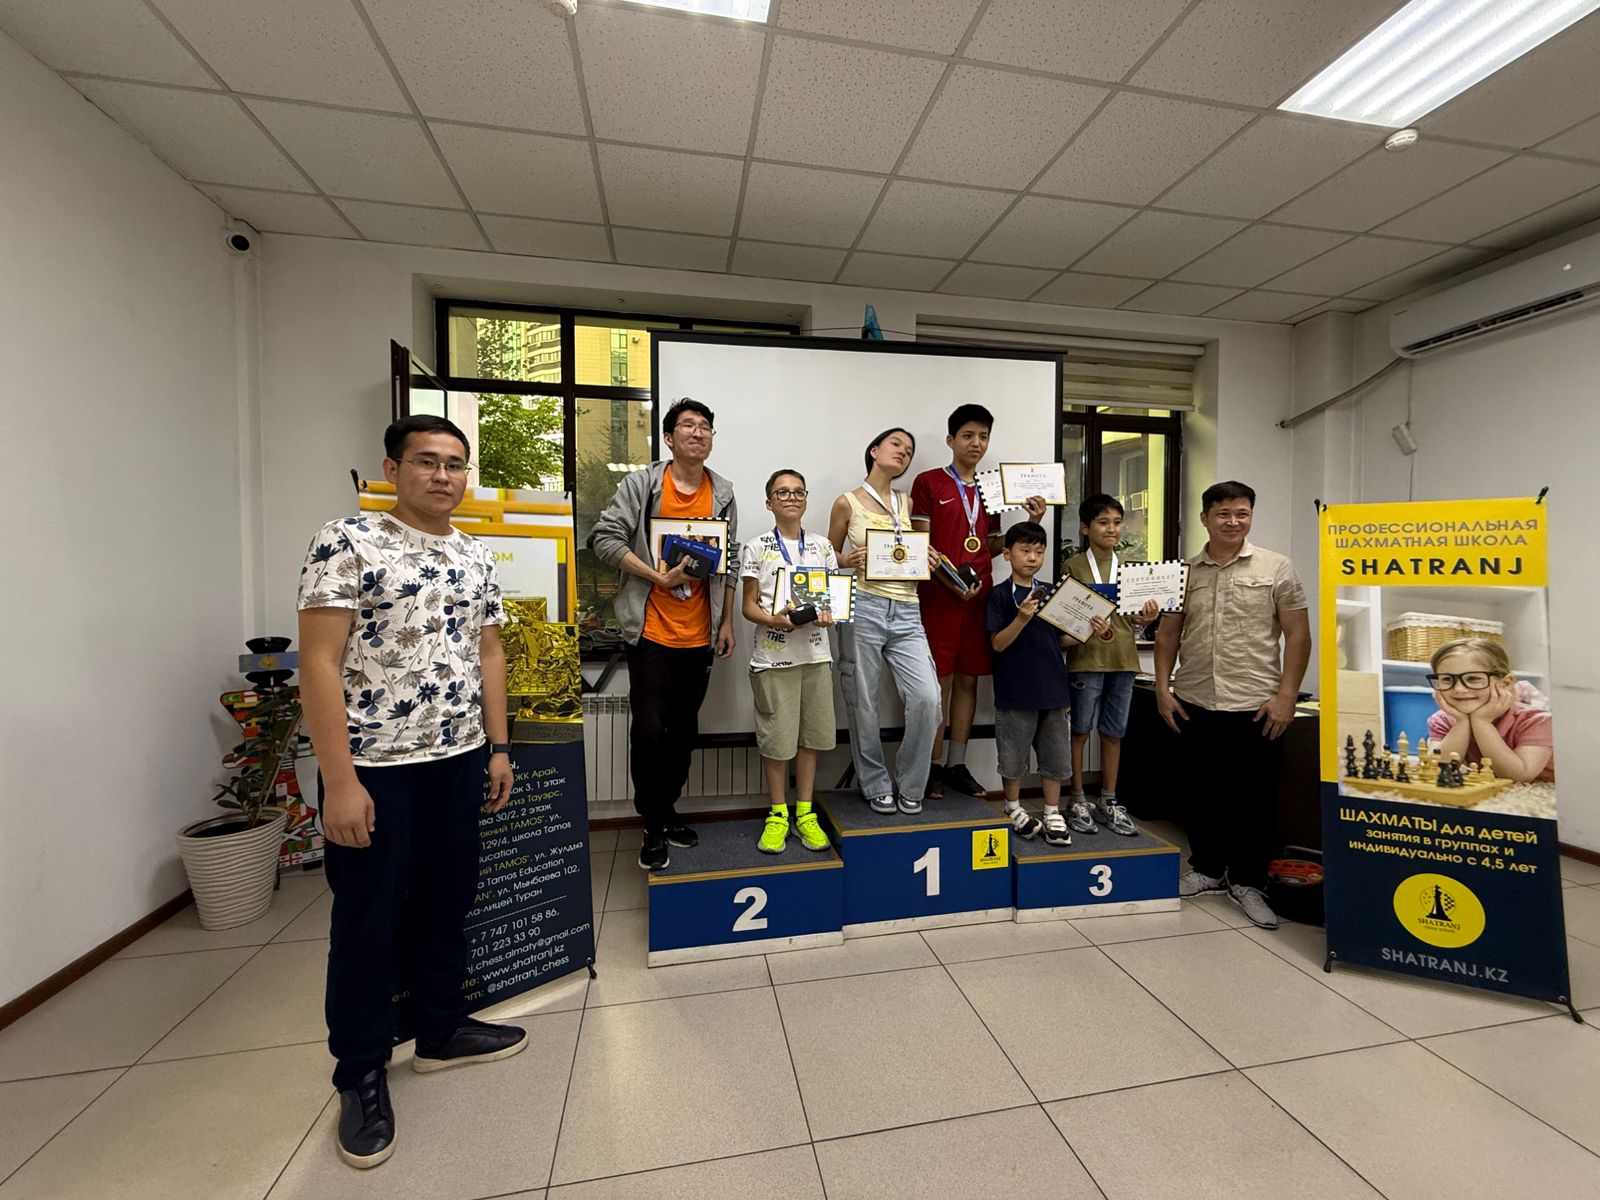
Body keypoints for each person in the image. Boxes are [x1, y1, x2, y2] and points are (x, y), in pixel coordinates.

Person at [298, 414, 526, 1170]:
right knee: (367, 919)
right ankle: (361, 1071)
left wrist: (498, 747)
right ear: (391, 470)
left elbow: (488, 653)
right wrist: (339, 781)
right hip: (374, 767)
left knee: (445, 901)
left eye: (455, 464)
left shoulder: (474, 553)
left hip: (458, 760)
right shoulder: (347, 540)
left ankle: (441, 1027)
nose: (443, 475)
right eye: (426, 461)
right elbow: (318, 663)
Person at [588, 397, 739, 871]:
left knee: (683, 731)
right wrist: (657, 577)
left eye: (705, 426)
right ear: (669, 438)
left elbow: (729, 560)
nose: (698, 432)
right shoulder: (643, 484)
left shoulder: (723, 492)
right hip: (651, 631)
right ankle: (651, 823)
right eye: (687, 425)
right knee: (651, 731)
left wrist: (727, 621)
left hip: (700, 634)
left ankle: (667, 810)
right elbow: (604, 539)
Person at [1153, 481, 1309, 930]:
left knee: (1254, 799)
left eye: (1242, 513)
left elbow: (1298, 635)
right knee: (1200, 793)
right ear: (1205, 518)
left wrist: (1286, 696)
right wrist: (1163, 689)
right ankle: (1206, 869)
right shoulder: (1184, 572)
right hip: (1195, 699)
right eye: (1223, 513)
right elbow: (1168, 634)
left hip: (1256, 705)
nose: (1233, 521)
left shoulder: (1277, 567)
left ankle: (1248, 881)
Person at [910, 404, 1045, 798]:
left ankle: (957, 763)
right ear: (951, 440)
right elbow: (921, 544)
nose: (976, 443)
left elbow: (991, 544)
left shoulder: (991, 488)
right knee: (938, 682)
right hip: (939, 596)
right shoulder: (928, 482)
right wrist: (949, 581)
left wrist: (1032, 523)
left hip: (979, 596)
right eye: (968, 435)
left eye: (983, 436)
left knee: (969, 680)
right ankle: (932, 766)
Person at [830, 428, 941, 815]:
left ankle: (911, 784)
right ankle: (875, 783)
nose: (904, 452)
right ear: (874, 450)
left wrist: (929, 558)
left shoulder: (907, 502)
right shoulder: (846, 502)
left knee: (928, 699)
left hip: (908, 609)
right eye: (896, 444)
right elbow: (828, 554)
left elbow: (920, 551)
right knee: (863, 700)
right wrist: (849, 559)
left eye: (909, 450)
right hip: (864, 605)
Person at [740, 470, 839, 852]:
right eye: (782, 492)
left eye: (798, 492)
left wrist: (830, 614)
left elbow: (833, 600)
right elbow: (748, 606)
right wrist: (774, 619)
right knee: (777, 743)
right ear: (769, 503)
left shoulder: (822, 547)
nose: (791, 497)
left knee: (810, 740)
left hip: (815, 655)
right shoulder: (756, 547)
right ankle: (778, 813)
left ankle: (805, 813)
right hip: (774, 658)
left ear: (806, 499)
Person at [1061, 494, 1161, 838]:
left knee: (1114, 732)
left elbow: (1134, 621)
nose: (1112, 529)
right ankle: (1076, 798)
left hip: (1123, 658)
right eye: (1103, 522)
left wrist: (1147, 618)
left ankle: (1108, 799)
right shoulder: (1073, 565)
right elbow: (1066, 616)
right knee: (1079, 731)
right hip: (1086, 659)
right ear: (1085, 528)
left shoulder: (1132, 568)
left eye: (1117, 522)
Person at [985, 522, 1066, 843]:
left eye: (1039, 551)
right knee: (1013, 756)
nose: (1032, 558)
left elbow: (1062, 640)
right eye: (1025, 550)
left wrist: (1091, 631)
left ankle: (1052, 811)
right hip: (1015, 690)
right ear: (1007, 554)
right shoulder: (999, 595)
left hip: (1053, 688)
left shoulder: (1052, 592)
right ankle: (1013, 806)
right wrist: (1021, 618)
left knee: (1054, 756)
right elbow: (997, 644)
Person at [1425, 638, 1554, 782]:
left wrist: (1482, 722)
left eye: (1473, 679)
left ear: (1506, 683)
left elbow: (1519, 776)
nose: (1459, 689)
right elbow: (1437, 769)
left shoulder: (1536, 721)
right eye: (1447, 679)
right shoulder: (1443, 720)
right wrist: (1461, 722)